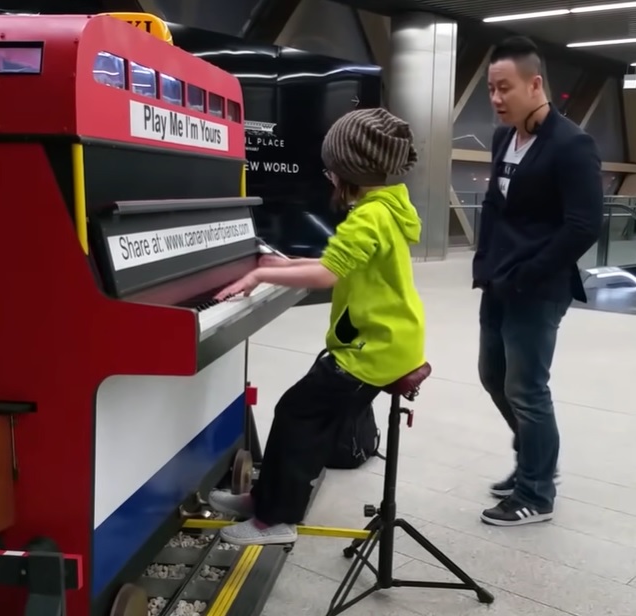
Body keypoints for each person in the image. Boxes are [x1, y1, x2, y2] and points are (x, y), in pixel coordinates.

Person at [207, 107, 427, 545]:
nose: (328, 177)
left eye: (330, 169)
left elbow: (327, 275)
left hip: (373, 351)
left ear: (347, 170)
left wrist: (260, 274)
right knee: (298, 412)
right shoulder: (387, 208)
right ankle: (267, 500)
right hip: (388, 342)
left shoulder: (368, 216)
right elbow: (339, 264)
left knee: (298, 417)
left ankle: (277, 521)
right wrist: (286, 263)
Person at [474, 36, 603, 526]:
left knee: (527, 389)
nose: (496, 99)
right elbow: (494, 205)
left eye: (504, 88)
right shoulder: (504, 138)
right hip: (499, 283)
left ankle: (536, 492)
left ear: (535, 84)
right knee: (493, 377)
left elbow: (584, 226)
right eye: (489, 89)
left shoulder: (572, 144)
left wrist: (528, 272)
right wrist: (484, 264)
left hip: (538, 287)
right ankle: (535, 460)